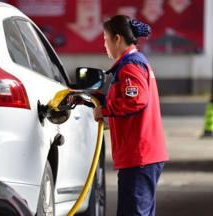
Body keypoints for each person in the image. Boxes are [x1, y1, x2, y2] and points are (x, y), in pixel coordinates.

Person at [94, 15, 169, 216]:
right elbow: (129, 98)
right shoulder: (135, 63)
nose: (104, 44)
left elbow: (136, 100)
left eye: (105, 39)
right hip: (142, 155)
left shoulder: (130, 66)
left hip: (139, 156)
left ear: (117, 38)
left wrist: (106, 111)